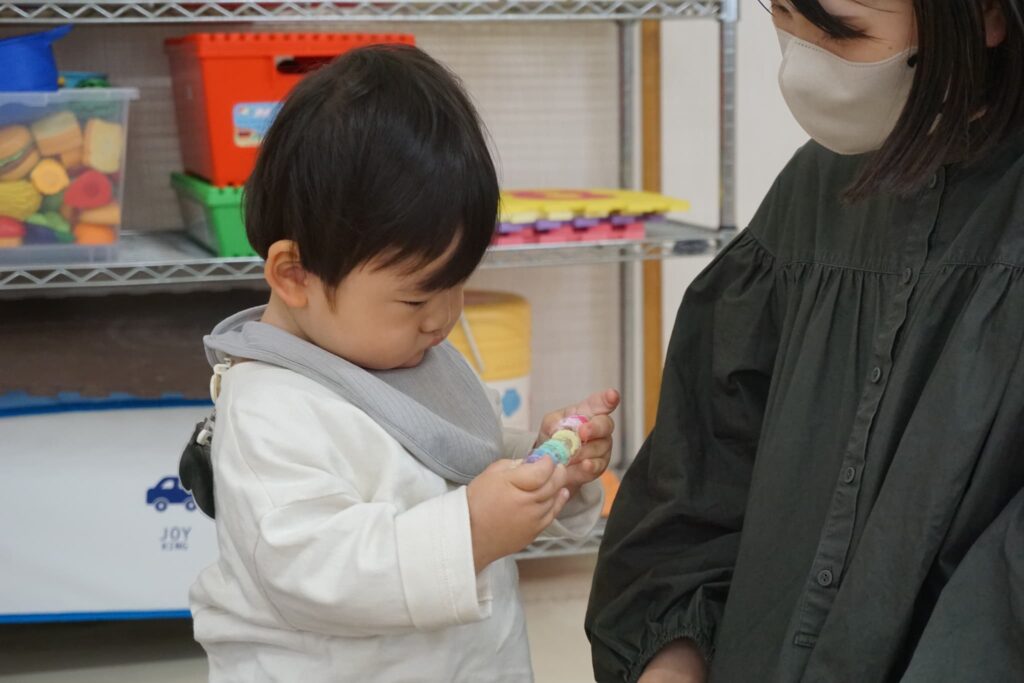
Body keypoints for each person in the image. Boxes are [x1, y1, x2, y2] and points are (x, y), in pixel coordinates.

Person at [587, 1, 1024, 681]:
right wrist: (671, 656)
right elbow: (702, 476)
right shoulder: (815, 191)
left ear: (986, 15)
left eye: (840, 32)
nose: (802, 63)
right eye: (785, 14)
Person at [186, 44, 619, 682]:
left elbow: (453, 457)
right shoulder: (270, 411)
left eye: (457, 285)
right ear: (295, 275)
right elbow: (314, 572)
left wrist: (546, 464)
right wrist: (471, 529)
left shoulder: (403, 349)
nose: (443, 318)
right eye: (416, 297)